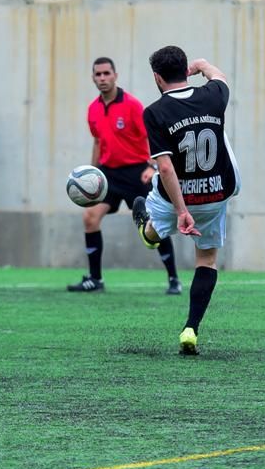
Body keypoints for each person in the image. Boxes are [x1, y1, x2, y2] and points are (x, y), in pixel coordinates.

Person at [132, 46, 241, 355]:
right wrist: (203, 64)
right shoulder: (213, 95)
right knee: (206, 260)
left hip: (176, 200)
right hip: (216, 195)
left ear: (157, 77)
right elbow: (219, 76)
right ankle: (191, 328)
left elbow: (165, 166)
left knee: (152, 231)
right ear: (186, 70)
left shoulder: (154, 111)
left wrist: (181, 211)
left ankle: (148, 230)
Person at [68, 57, 181, 295]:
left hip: (137, 172)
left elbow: (154, 137)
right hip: (108, 175)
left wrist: (152, 167)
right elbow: (98, 141)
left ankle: (173, 279)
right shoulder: (93, 109)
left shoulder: (132, 105)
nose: (102, 78)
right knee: (90, 218)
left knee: (155, 225)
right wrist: (93, 172)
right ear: (93, 78)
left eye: (106, 73)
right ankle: (95, 279)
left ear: (115, 75)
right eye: (98, 74)